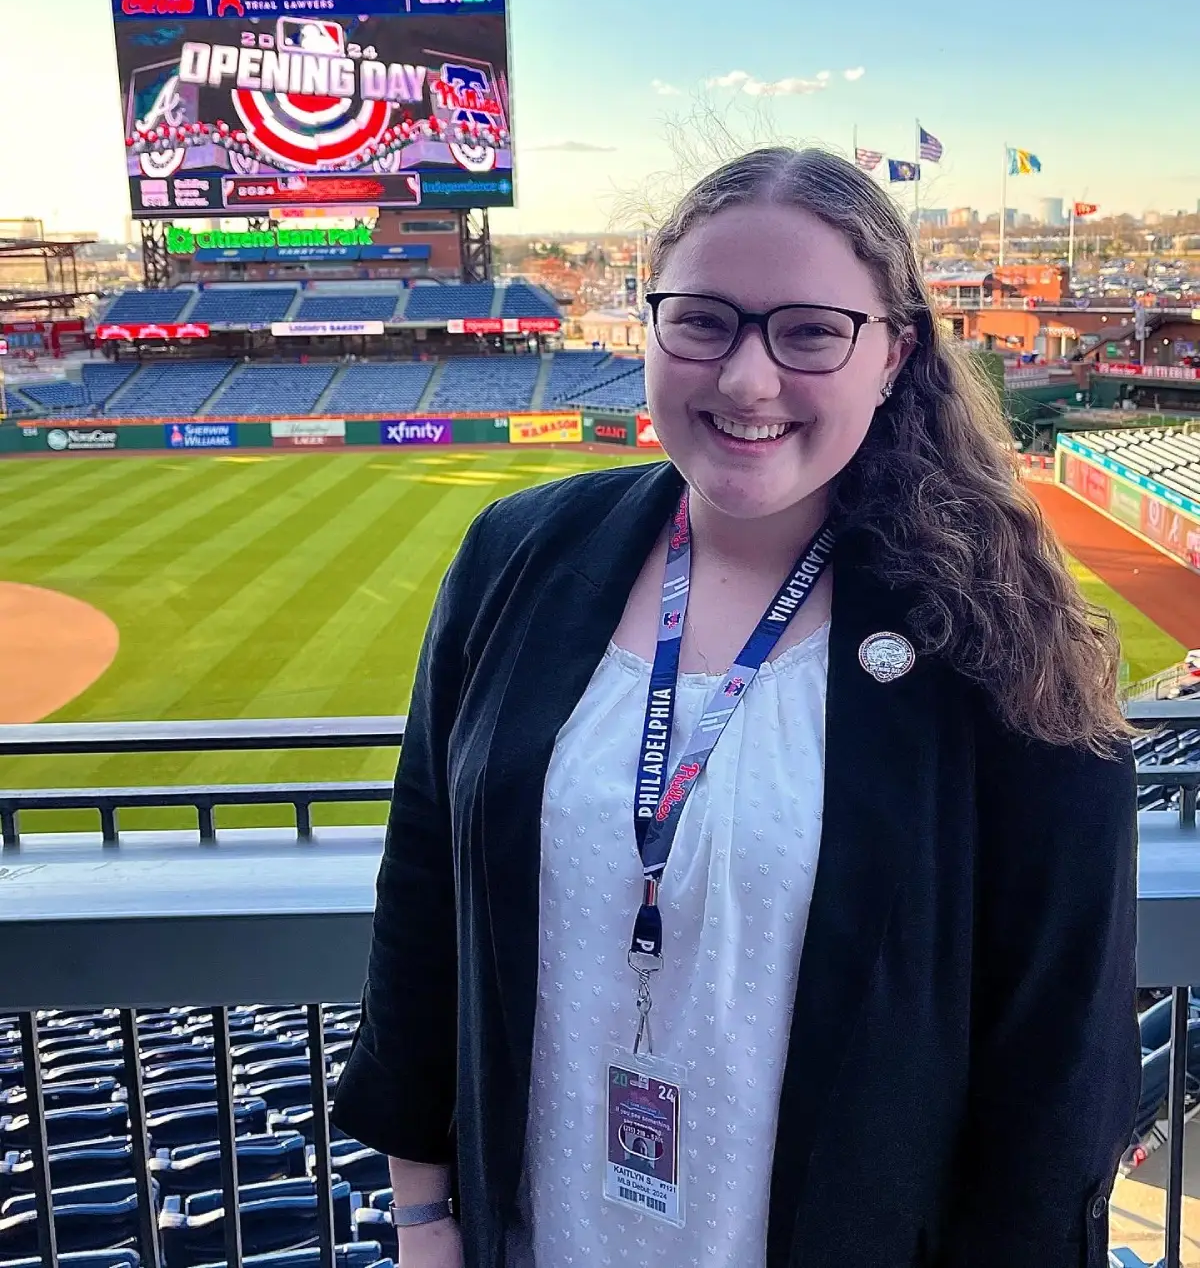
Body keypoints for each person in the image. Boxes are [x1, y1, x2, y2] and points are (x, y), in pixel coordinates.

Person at [331, 147, 1140, 1268]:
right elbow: (424, 892)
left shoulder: (1001, 634)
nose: (748, 379)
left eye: (810, 330)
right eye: (702, 320)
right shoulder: (514, 557)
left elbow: (1056, 1081)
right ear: (650, 327)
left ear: (893, 354)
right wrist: (422, 1214)